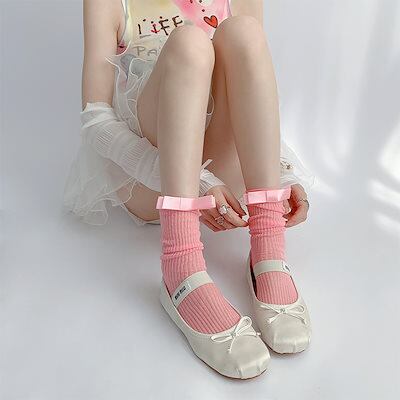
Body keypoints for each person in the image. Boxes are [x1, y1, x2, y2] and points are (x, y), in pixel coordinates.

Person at [63, 0, 315, 380]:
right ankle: (181, 268)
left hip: (223, 170)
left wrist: (280, 174)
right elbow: (95, 119)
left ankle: (268, 247)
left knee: (245, 34)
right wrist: (198, 181)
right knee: (189, 44)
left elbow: (254, 95)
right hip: (149, 182)